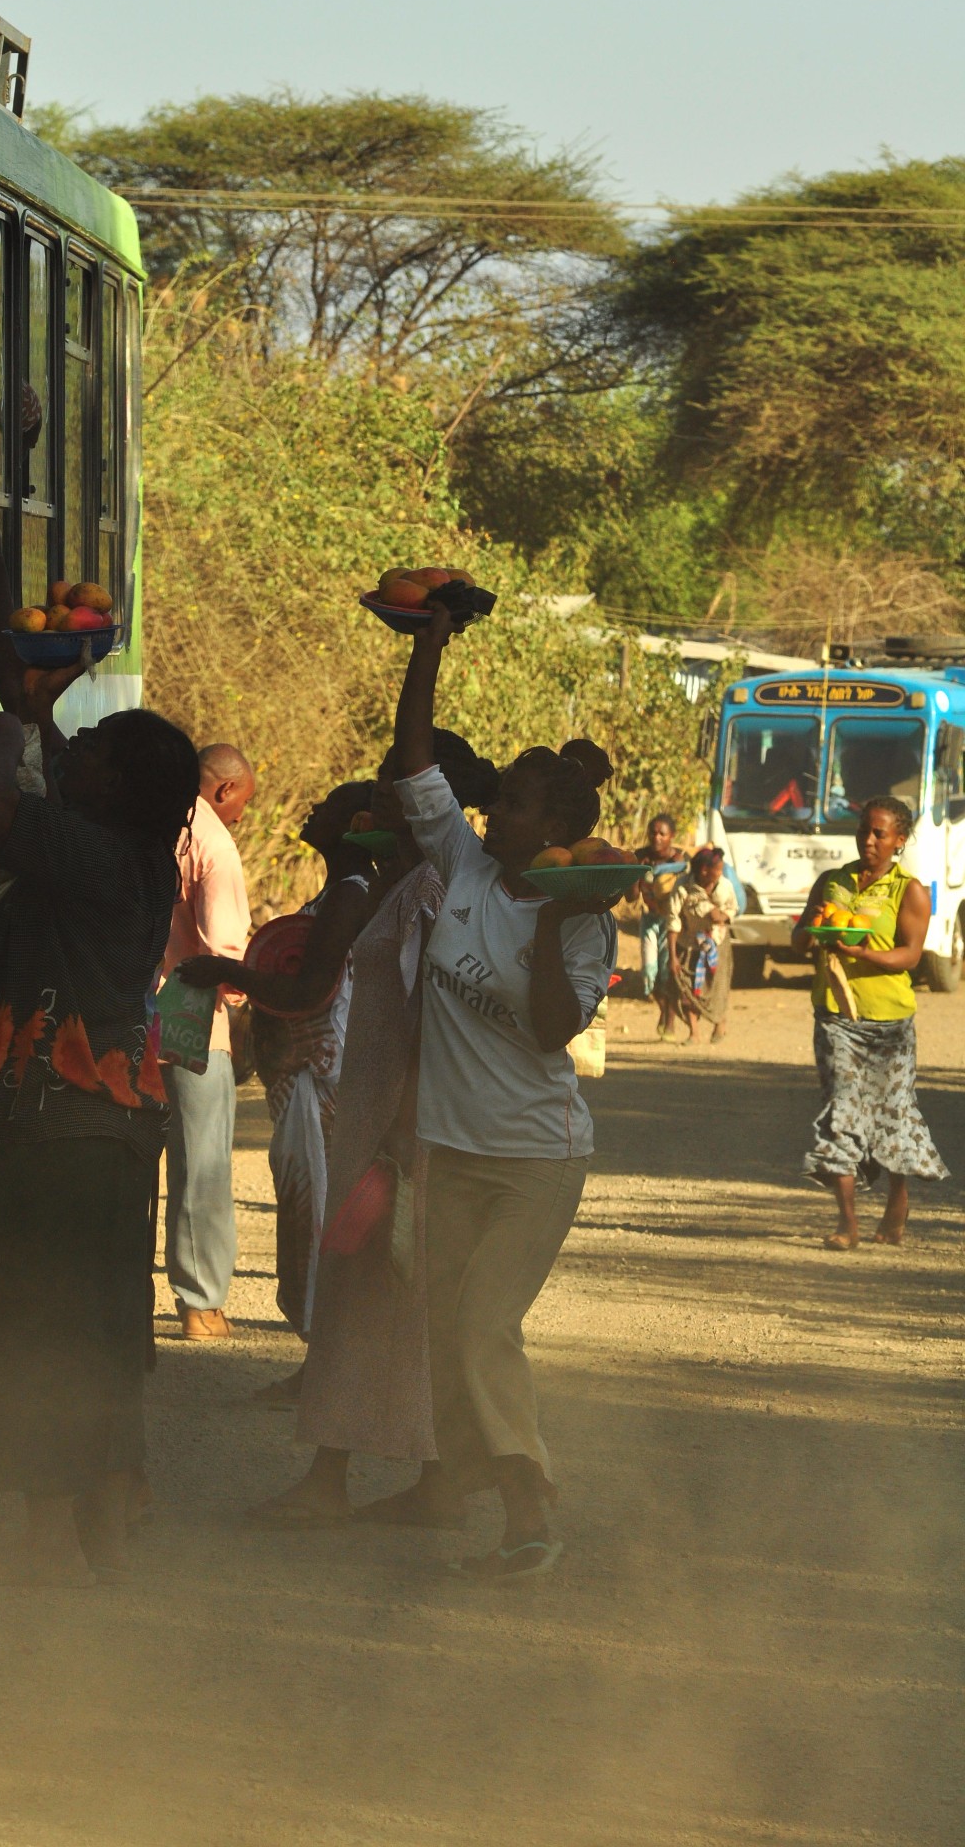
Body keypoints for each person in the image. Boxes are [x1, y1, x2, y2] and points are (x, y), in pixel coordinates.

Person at [0, 699, 199, 1585]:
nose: (72, 746)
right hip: (108, 1130)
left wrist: (6, 738)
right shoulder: (128, 851)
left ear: (116, 785)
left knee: (39, 1327)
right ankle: (108, 1525)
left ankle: (48, 1537)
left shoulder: (91, 853)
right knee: (100, 1330)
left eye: (93, 747)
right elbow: (53, 784)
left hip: (53, 1128)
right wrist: (37, 700)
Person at [392, 607, 618, 1582]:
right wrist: (424, 648)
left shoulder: (581, 919)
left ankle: (531, 1510)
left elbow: (553, 1030)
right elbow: (412, 766)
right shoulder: (463, 863)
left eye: (517, 805)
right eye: (498, 802)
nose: (495, 815)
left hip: (535, 1155)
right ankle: (458, 1483)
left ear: (559, 828)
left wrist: (553, 917)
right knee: (445, 1324)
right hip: (455, 1146)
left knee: (484, 1323)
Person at [251, 732, 500, 1528]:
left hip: (404, 1124)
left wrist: (399, 1131)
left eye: (401, 783)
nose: (383, 793)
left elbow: (435, 1012)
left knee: (391, 1298)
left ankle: (373, 1477)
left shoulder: (429, 888)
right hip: (380, 1118)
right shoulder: (404, 880)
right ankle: (390, 1475)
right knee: (372, 1300)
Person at [179, 782, 373, 1395]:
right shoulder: (341, 892)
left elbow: (308, 988)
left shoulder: (350, 895)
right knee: (307, 1210)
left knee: (318, 1214)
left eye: (329, 808)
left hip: (322, 1073)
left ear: (356, 825)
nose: (312, 811)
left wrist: (226, 971)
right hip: (308, 1073)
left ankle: (329, 1369)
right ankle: (323, 1365)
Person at [792, 797, 948, 1251]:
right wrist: (815, 929)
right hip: (836, 1015)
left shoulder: (910, 890)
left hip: (890, 1022)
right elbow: (801, 936)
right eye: (864, 831)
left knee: (891, 1114)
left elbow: (911, 956)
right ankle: (847, 1222)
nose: (869, 840)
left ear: (900, 840)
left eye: (881, 834)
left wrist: (862, 953)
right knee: (840, 1107)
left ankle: (897, 1201)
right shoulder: (832, 881)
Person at [160, 743, 256, 1340]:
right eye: (242, 804)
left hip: (130, 1006)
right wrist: (247, 992)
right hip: (190, 1012)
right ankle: (201, 1303)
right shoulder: (213, 842)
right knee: (202, 1163)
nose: (241, 816)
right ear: (222, 791)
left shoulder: (151, 820)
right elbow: (225, 951)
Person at [662, 844, 739, 1045]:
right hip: (689, 944)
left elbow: (733, 909)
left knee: (718, 988)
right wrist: (673, 956)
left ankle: (719, 1024)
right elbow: (673, 921)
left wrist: (721, 916)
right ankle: (694, 1033)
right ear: (704, 870)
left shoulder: (725, 886)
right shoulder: (682, 887)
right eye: (718, 869)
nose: (721, 873)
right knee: (686, 988)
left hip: (718, 942)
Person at [632, 814, 685, 1031]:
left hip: (672, 921)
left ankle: (670, 1021)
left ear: (671, 836)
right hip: (650, 919)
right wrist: (636, 873)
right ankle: (663, 1009)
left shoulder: (678, 861)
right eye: (653, 832)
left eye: (662, 833)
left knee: (669, 971)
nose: (657, 838)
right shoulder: (640, 857)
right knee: (649, 971)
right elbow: (632, 897)